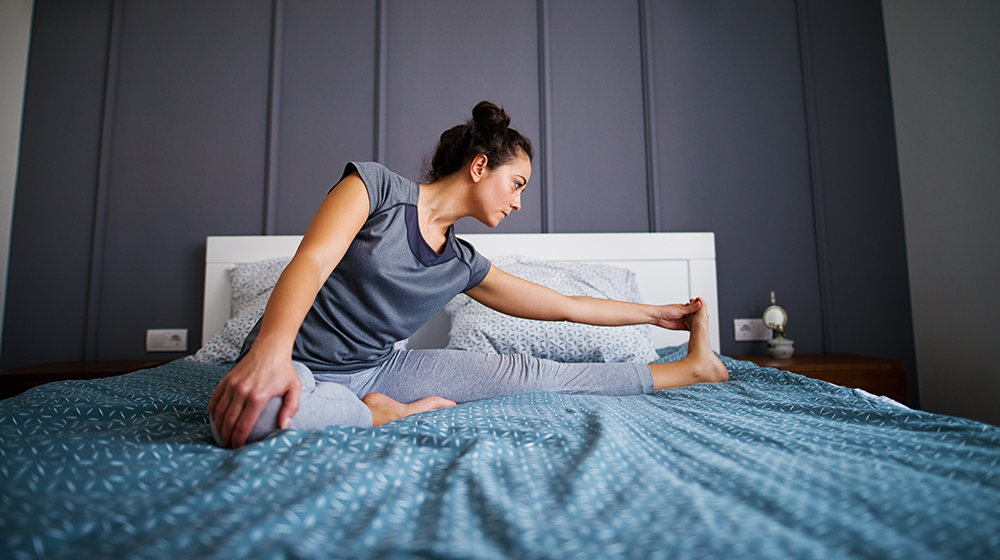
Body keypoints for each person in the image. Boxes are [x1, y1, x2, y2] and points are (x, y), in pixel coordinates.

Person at [209, 101, 729, 448]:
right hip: (294, 359)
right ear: (480, 167)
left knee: (532, 375)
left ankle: (692, 368)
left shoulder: (461, 264)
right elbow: (313, 261)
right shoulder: (376, 190)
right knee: (246, 417)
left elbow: (565, 306)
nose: (519, 203)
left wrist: (656, 314)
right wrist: (270, 355)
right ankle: (380, 415)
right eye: (517, 183)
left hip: (381, 372)